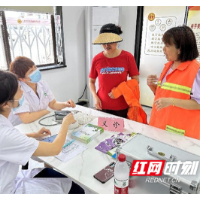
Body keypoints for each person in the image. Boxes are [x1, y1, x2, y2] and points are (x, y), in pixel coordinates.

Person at [0, 70, 85, 194]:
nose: (22, 92)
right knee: (77, 190)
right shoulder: (4, 134)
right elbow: (54, 149)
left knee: (53, 175)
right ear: (6, 104)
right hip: (8, 189)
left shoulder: (4, 125)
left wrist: (33, 135)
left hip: (9, 178)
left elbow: (8, 141)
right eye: (18, 90)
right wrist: (65, 123)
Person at [147, 25, 200, 140]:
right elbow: (163, 96)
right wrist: (153, 86)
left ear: (180, 48)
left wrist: (172, 101)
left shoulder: (196, 70)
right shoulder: (168, 66)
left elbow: (198, 103)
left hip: (179, 133)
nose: (163, 49)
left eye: (167, 45)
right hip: (159, 124)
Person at [89, 23, 139, 119]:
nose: (106, 45)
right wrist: (95, 97)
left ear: (117, 40)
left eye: (110, 41)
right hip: (102, 106)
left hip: (122, 105)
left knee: (122, 133)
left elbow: (136, 81)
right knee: (103, 132)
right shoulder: (97, 59)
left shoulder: (127, 57)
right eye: (103, 42)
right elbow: (91, 81)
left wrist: (120, 89)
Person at [9, 56, 76, 126]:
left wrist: (66, 104)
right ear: (22, 79)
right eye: (31, 71)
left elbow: (53, 104)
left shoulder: (42, 84)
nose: (35, 71)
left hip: (38, 122)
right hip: (22, 127)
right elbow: (26, 118)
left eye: (35, 67)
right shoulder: (18, 91)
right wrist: (44, 112)